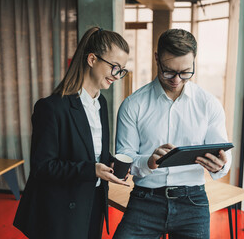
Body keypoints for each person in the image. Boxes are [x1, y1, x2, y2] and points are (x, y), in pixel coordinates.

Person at [114, 28, 232, 239]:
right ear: (157, 58)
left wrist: (222, 164)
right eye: (168, 71)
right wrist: (148, 162)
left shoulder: (209, 105)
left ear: (194, 61)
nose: (176, 80)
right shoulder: (132, 105)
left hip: (193, 201)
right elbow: (124, 157)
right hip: (145, 200)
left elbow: (222, 151)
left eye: (185, 72)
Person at [13, 26, 130, 239]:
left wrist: (110, 162)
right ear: (92, 59)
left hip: (93, 202)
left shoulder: (101, 103)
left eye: (122, 70)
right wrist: (91, 170)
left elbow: (88, 151)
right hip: (61, 213)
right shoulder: (51, 107)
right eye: (114, 67)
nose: (117, 75)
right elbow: (42, 167)